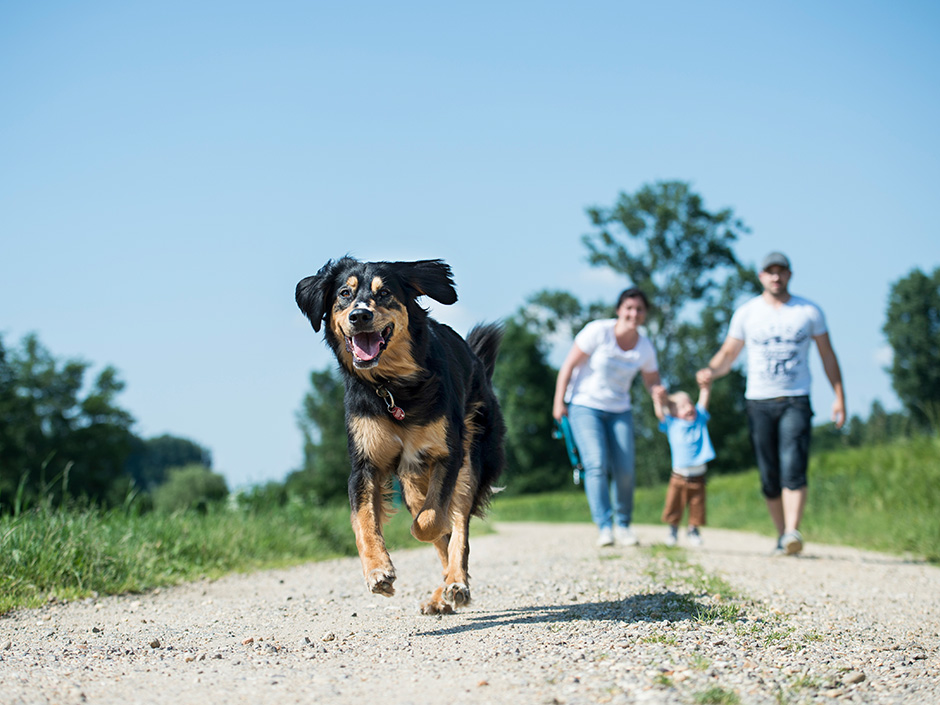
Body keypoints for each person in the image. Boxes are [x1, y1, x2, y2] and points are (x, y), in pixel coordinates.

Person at [696, 252, 846, 556]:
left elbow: (827, 355)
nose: (776, 277)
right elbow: (729, 353)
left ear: (789, 274)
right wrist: (710, 371)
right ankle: (782, 536)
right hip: (758, 401)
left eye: (781, 271)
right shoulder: (747, 313)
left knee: (794, 463)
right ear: (761, 276)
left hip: (796, 398)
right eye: (770, 272)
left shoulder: (808, 311)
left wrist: (839, 396)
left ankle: (792, 530)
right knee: (769, 473)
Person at [553, 288, 665, 547]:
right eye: (629, 308)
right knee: (596, 463)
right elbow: (568, 365)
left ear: (645, 314)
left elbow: (652, 380)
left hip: (620, 410)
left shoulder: (645, 346)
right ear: (619, 310)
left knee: (625, 469)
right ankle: (605, 526)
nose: (633, 313)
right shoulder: (598, 332)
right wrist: (559, 402)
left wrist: (657, 391)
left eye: (639, 309)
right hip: (584, 405)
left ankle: (624, 525)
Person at [652, 378, 715, 547]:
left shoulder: (699, 420)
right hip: (679, 475)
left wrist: (705, 387)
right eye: (681, 407)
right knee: (674, 504)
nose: (689, 408)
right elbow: (660, 413)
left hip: (699, 475)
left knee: (697, 505)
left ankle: (693, 530)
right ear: (673, 413)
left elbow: (703, 401)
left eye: (689, 404)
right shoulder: (672, 424)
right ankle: (673, 530)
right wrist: (657, 400)